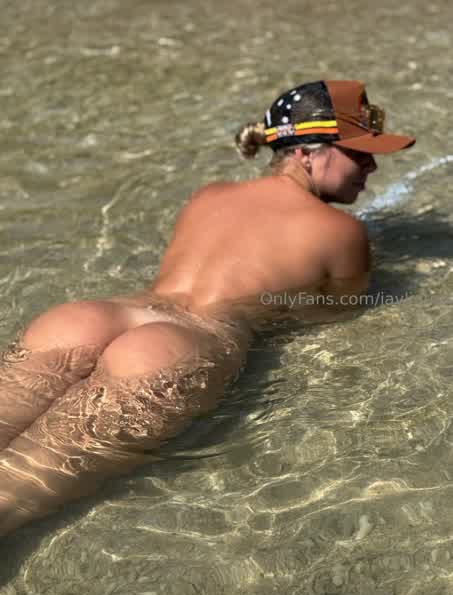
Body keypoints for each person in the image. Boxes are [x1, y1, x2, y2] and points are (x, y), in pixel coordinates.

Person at [0, 80, 415, 536]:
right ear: (305, 153)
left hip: (89, 318)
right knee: (13, 495)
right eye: (358, 153)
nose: (372, 166)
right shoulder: (343, 231)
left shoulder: (209, 194)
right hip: (178, 347)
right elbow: (334, 314)